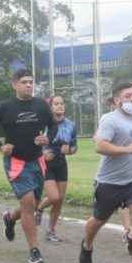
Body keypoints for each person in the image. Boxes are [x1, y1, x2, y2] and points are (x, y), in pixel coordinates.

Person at [79, 81, 132, 263]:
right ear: (116, 101)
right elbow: (100, 146)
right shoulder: (109, 120)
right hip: (109, 182)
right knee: (98, 221)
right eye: (127, 96)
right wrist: (128, 150)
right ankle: (87, 245)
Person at [0, 69, 57, 263]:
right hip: (16, 162)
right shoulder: (4, 107)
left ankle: (9, 217)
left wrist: (48, 138)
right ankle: (34, 250)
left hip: (37, 160)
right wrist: (0, 146)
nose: (29, 85)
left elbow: (54, 125)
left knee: (32, 204)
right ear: (14, 84)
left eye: (31, 82)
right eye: (24, 82)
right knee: (28, 203)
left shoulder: (41, 105)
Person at [35, 95, 78, 242]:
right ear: (50, 107)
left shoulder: (71, 125)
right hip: (45, 164)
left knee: (59, 201)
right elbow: (33, 144)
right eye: (56, 103)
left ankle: (51, 231)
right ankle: (39, 209)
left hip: (61, 163)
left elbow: (74, 146)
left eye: (62, 103)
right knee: (54, 197)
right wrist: (42, 153)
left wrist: (70, 150)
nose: (59, 106)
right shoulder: (43, 124)